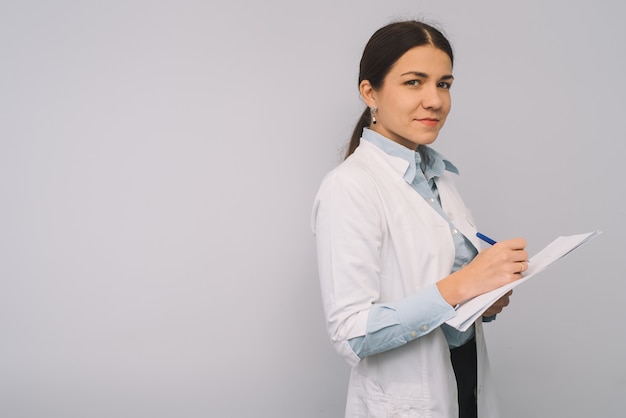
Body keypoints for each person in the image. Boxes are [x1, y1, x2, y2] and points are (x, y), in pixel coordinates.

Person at [311, 20, 528, 418]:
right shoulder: (350, 187)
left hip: (465, 385)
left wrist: (484, 299)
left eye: (443, 84)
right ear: (369, 92)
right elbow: (351, 333)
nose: (434, 100)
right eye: (414, 82)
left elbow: (436, 292)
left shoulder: (438, 178)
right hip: (406, 402)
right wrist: (464, 284)